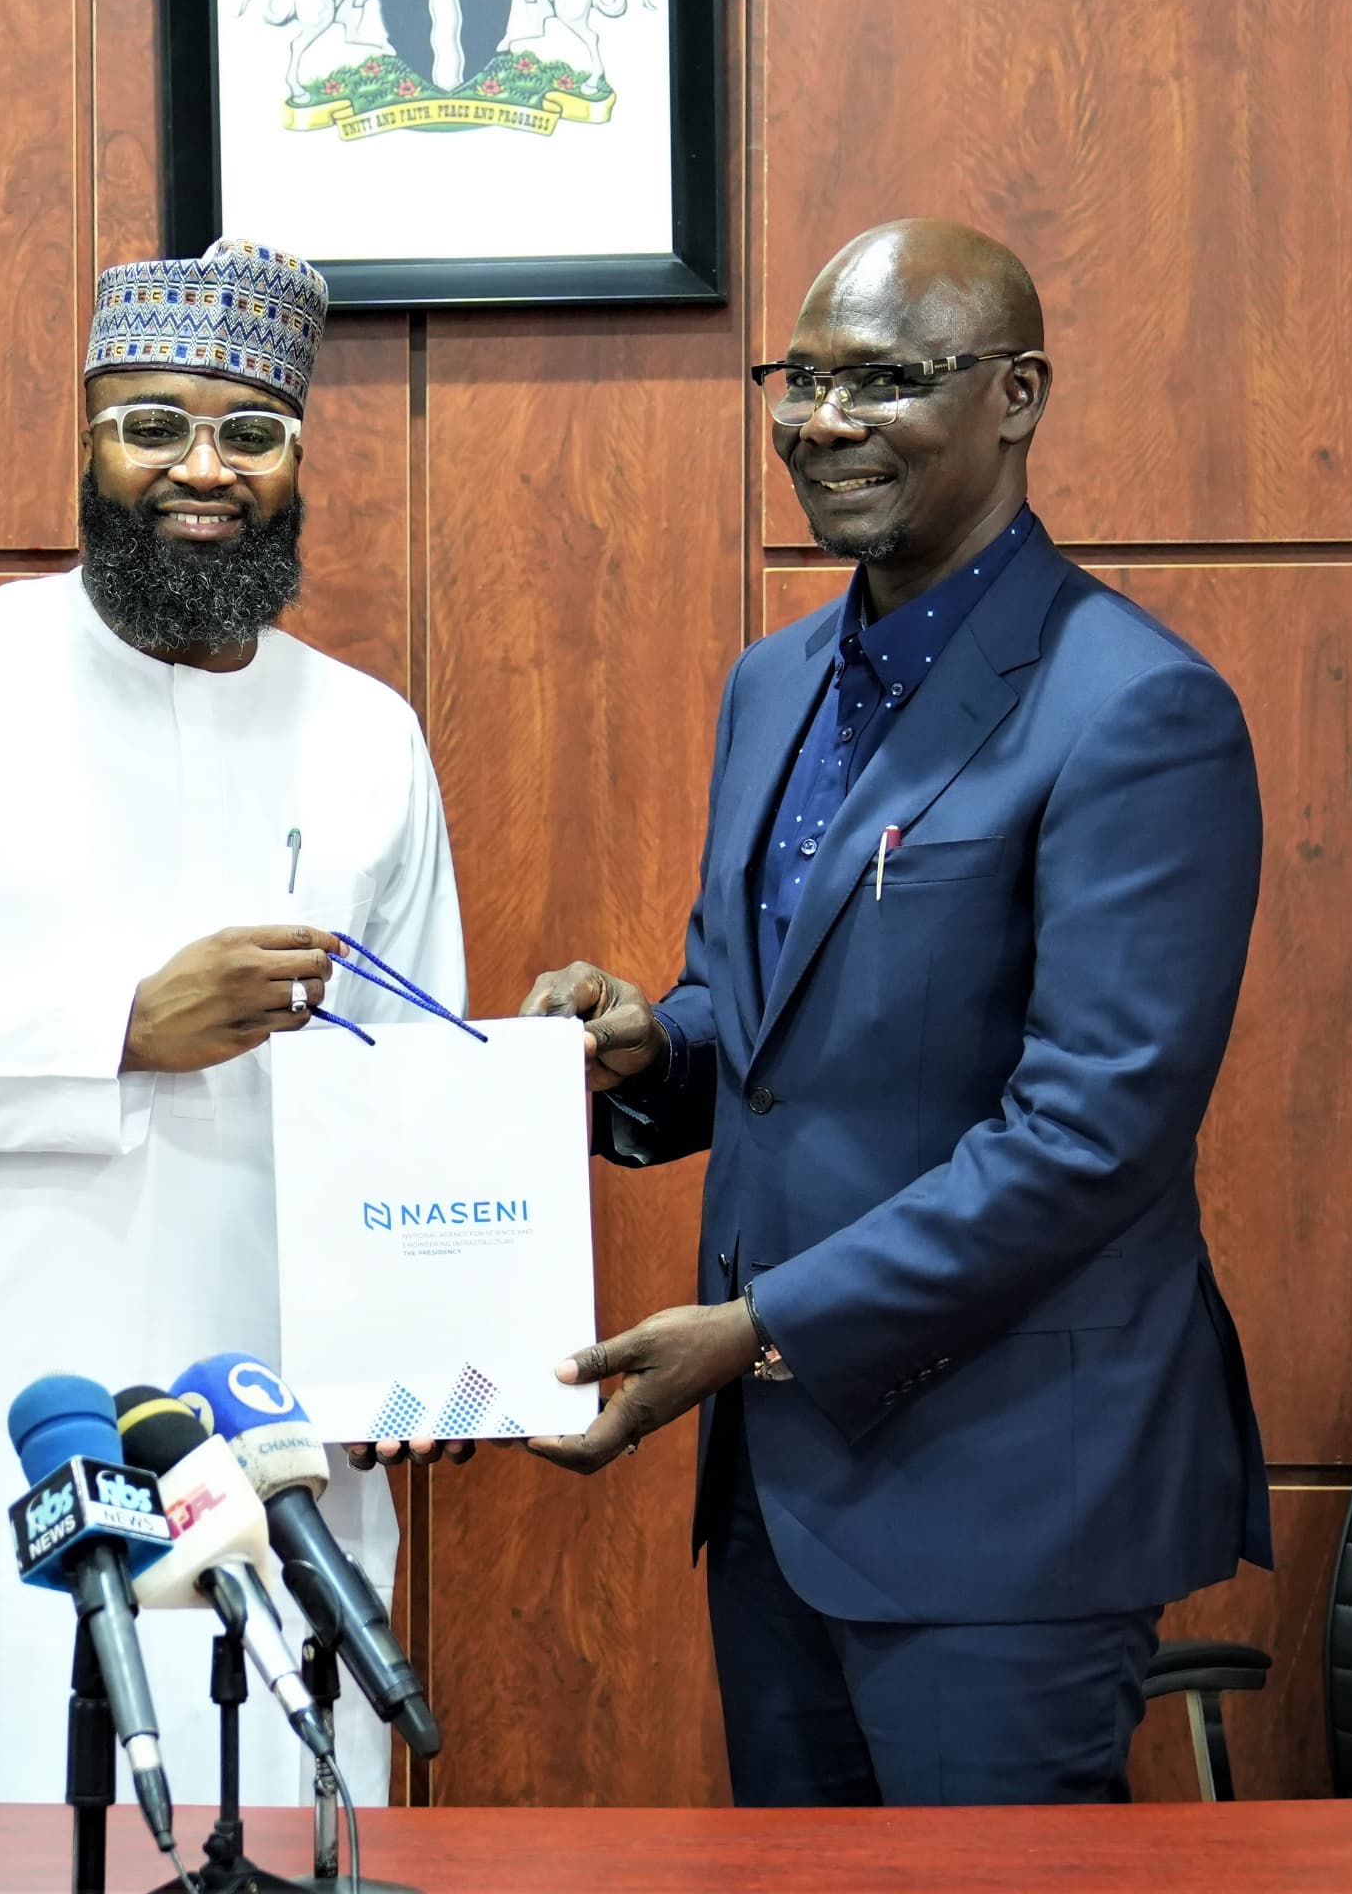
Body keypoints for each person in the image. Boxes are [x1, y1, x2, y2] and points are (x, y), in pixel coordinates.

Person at [521, 219, 1270, 1808]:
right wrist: (649, 1041)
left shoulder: (1137, 707)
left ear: (1016, 394)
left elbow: (1090, 1136)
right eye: (800, 380)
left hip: (1012, 1496)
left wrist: (760, 1331)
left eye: (885, 380)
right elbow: (765, 1015)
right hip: (784, 1500)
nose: (822, 422)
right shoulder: (774, 683)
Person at [0, 238, 465, 1807]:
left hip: (266, 1448)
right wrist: (117, 1026)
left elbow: (415, 1108)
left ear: (297, 465)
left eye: (250, 435)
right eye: (153, 424)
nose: (203, 468)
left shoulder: (367, 738)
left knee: (264, 1825)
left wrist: (454, 1334)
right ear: (86, 441)